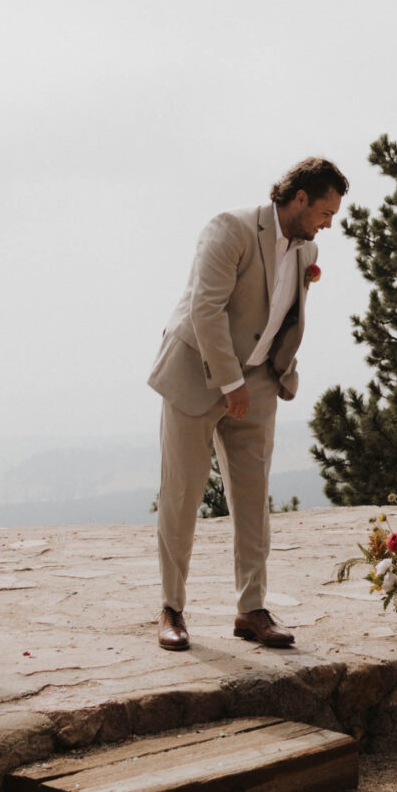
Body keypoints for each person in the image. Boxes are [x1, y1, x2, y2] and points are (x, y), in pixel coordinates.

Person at [148, 158, 347, 652]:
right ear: (299, 198)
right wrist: (229, 381)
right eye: (325, 211)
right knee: (182, 495)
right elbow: (205, 309)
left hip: (258, 381)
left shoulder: (308, 250)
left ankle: (251, 610)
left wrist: (272, 374)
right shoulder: (230, 228)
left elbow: (286, 315)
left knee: (254, 499)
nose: (329, 224)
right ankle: (172, 609)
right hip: (198, 373)